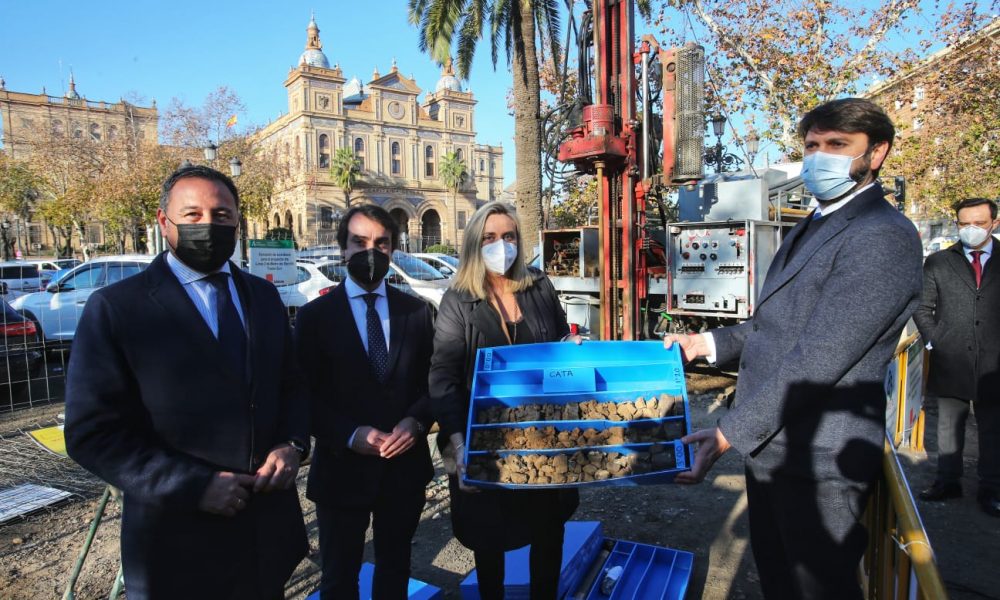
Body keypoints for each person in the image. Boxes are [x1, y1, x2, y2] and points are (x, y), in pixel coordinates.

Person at [665, 98, 923, 599]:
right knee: (780, 580)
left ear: (878, 153)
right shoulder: (814, 223)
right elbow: (774, 325)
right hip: (776, 448)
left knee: (816, 588)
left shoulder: (882, 236)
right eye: (812, 146)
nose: (819, 157)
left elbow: (820, 356)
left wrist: (727, 434)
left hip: (820, 459)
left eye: (837, 145)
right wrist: (705, 342)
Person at [64, 165, 310, 599]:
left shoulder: (264, 297)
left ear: (237, 221)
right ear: (165, 222)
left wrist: (292, 444)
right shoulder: (119, 308)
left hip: (265, 537)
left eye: (221, 215)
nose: (208, 225)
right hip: (176, 543)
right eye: (192, 215)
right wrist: (192, 486)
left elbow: (292, 386)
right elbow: (93, 433)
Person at [430, 201, 581, 599]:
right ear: (475, 244)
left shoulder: (539, 285)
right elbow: (443, 378)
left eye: (509, 236)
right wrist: (460, 445)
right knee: (490, 546)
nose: (502, 245)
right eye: (491, 238)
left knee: (548, 539)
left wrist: (572, 347)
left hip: (546, 442)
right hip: (485, 447)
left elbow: (560, 339)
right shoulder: (457, 301)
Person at [295, 204, 435, 599]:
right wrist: (348, 434)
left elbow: (433, 384)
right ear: (342, 250)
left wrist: (416, 422)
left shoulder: (417, 313)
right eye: (360, 242)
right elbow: (303, 394)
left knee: (395, 571)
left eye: (381, 243)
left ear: (393, 249)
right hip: (341, 471)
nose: (370, 252)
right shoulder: (314, 317)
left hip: (403, 470)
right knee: (339, 579)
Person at [913, 197, 1000, 517]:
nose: (971, 230)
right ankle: (947, 481)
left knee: (993, 429)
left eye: (978, 223)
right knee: (949, 426)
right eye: (965, 224)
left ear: (994, 223)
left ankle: (992, 488)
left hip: (995, 363)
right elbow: (922, 308)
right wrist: (935, 340)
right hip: (952, 359)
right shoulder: (938, 262)